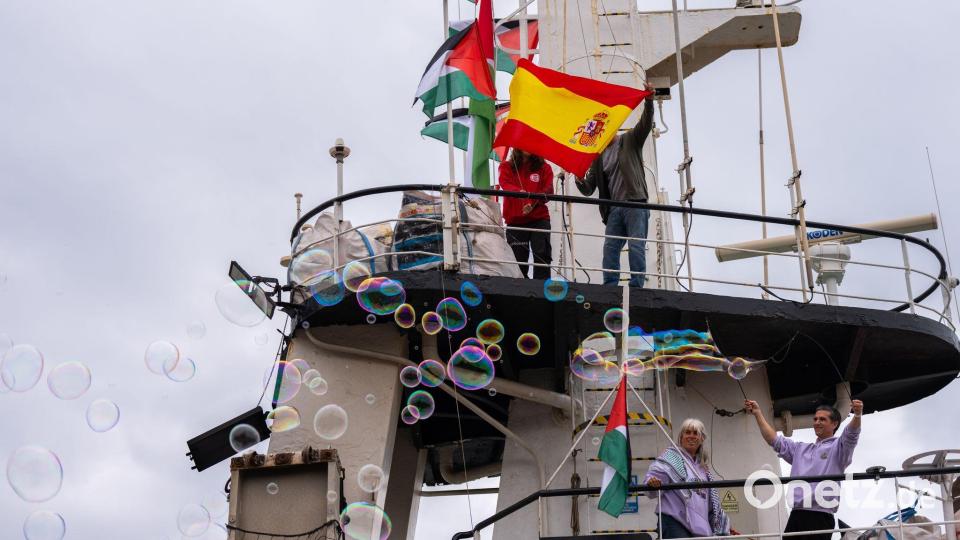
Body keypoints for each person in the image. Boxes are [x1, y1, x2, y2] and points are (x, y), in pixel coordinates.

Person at [744, 398, 864, 540]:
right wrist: (758, 413)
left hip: (820, 516)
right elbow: (774, 440)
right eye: (815, 419)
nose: (817, 422)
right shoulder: (800, 449)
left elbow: (851, 434)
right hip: (796, 514)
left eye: (822, 419)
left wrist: (857, 415)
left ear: (834, 424)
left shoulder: (839, 448)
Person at [574, 88, 654, 287]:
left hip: (635, 204)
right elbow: (589, 188)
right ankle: (610, 284)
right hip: (614, 210)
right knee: (610, 247)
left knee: (636, 245)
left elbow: (645, 123)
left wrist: (649, 101)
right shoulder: (598, 157)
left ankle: (637, 285)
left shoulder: (630, 140)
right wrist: (578, 178)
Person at [644, 418, 734, 539]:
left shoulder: (704, 469)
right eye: (687, 432)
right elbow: (651, 487)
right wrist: (652, 482)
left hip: (700, 527)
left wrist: (720, 523)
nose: (691, 436)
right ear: (681, 437)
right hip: (675, 522)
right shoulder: (670, 458)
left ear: (701, 439)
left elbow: (711, 503)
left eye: (695, 433)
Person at [498, 148, 554, 279]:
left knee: (542, 257)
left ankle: (541, 292)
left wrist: (531, 202)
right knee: (518, 261)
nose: (527, 146)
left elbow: (549, 190)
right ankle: (520, 294)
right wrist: (523, 196)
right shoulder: (506, 166)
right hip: (515, 221)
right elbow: (505, 184)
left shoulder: (545, 168)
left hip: (539, 219)